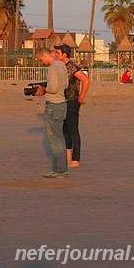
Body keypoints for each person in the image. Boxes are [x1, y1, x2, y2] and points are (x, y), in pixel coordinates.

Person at [53, 43, 90, 169]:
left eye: (58, 53)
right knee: (65, 130)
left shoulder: (72, 67)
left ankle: (76, 159)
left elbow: (85, 80)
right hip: (62, 101)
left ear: (64, 54)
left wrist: (82, 96)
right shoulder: (60, 67)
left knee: (73, 130)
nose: (56, 55)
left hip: (73, 102)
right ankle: (68, 158)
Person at [35, 48, 69, 179]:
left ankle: (58, 170)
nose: (41, 62)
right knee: (60, 138)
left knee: (55, 140)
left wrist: (44, 89)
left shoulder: (53, 67)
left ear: (45, 56)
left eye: (41, 59)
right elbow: (65, 85)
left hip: (53, 105)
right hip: (62, 104)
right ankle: (62, 169)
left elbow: (53, 88)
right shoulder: (61, 65)